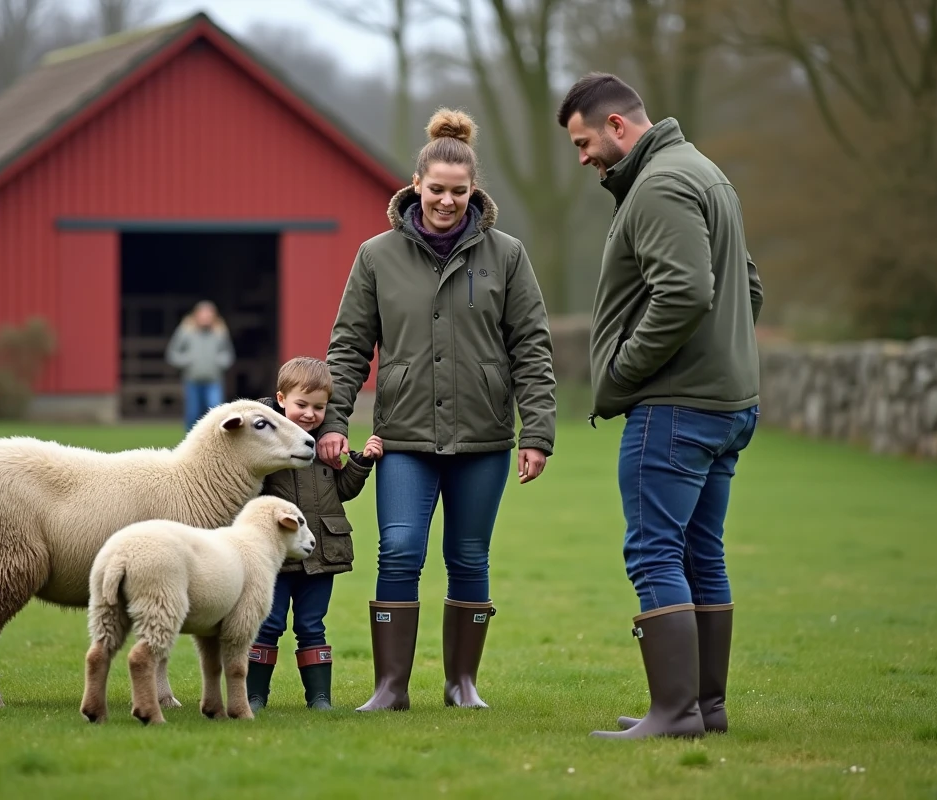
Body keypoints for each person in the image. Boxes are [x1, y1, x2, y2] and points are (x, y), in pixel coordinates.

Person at [317, 108, 557, 712]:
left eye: (459, 191)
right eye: (436, 190)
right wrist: (335, 423)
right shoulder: (376, 256)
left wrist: (538, 432)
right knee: (399, 548)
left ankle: (461, 685)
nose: (446, 201)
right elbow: (347, 348)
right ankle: (390, 688)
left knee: (469, 555)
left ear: (474, 190)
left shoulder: (507, 256)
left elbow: (532, 347)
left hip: (484, 438)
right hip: (402, 437)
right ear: (416, 185)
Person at [556, 72, 764, 740]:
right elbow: (748, 290)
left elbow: (685, 291)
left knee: (653, 552)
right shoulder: (704, 172)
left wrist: (626, 368)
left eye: (584, 141)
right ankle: (705, 707)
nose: (582, 157)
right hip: (726, 405)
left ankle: (674, 712)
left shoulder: (660, 185)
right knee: (702, 552)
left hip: (676, 408)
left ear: (618, 125)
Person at [246, 356, 384, 712]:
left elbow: (341, 491)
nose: (309, 414)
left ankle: (319, 697)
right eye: (301, 405)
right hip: (276, 558)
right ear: (281, 400)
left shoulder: (326, 445)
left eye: (319, 407)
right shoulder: (262, 444)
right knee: (268, 624)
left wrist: (360, 463)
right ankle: (254, 695)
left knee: (312, 625)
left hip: (322, 554)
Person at [164, 300, 235, 432]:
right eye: (203, 314)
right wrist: (187, 361)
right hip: (192, 380)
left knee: (216, 412)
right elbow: (172, 353)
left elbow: (228, 354)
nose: (205, 317)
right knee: (192, 414)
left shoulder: (219, 332)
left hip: (213, 380)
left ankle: (216, 442)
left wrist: (219, 362)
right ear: (196, 315)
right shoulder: (186, 331)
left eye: (209, 314)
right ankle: (190, 445)